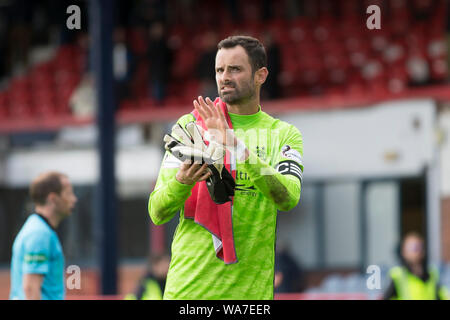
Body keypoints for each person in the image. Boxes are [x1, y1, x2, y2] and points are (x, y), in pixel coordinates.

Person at [148, 35, 304, 299]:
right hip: (188, 293)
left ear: (261, 75)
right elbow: (157, 211)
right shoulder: (190, 127)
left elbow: (288, 197)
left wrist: (236, 147)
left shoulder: (283, 135)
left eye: (235, 69)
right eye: (220, 69)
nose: (225, 77)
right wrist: (182, 182)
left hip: (249, 296)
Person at [9, 171, 77, 300]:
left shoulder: (40, 229)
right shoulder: (39, 234)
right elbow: (30, 289)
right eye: (68, 193)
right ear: (53, 198)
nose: (74, 199)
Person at [383, 232, 449, 300]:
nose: (417, 250)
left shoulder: (432, 274)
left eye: (420, 246)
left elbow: (443, 295)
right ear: (404, 252)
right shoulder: (397, 275)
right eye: (413, 247)